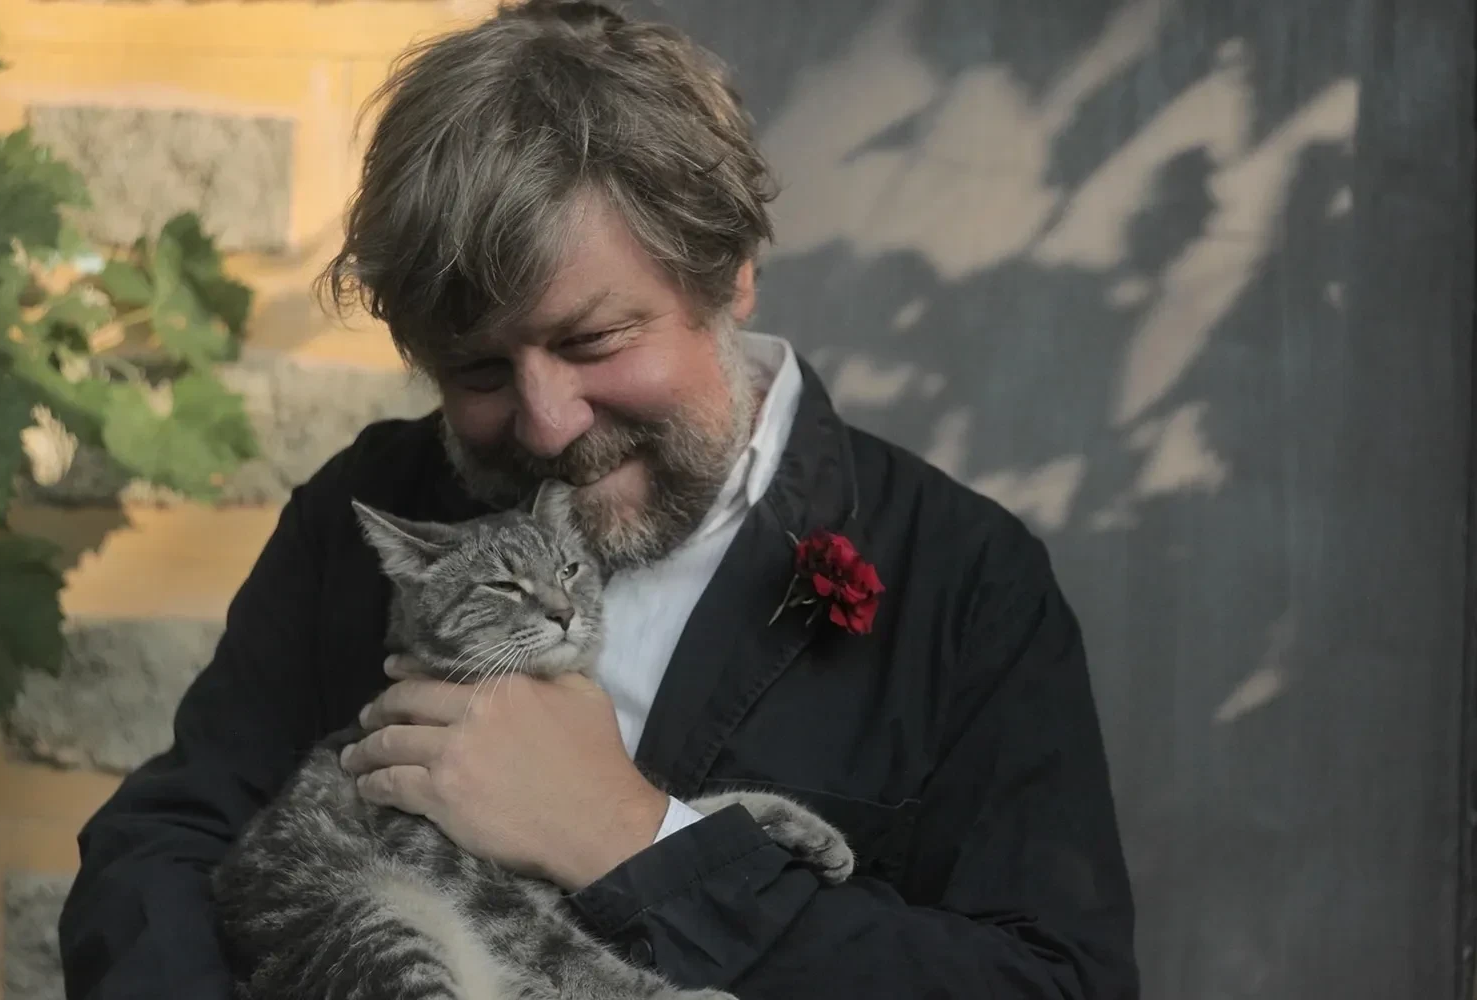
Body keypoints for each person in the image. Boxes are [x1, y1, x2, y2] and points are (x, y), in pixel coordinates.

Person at [57, 2, 1139, 997]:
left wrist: (631, 835)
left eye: (594, 340)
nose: (546, 425)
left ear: (731, 271)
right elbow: (157, 856)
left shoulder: (967, 580)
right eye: (479, 371)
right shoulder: (371, 502)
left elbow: (1054, 986)